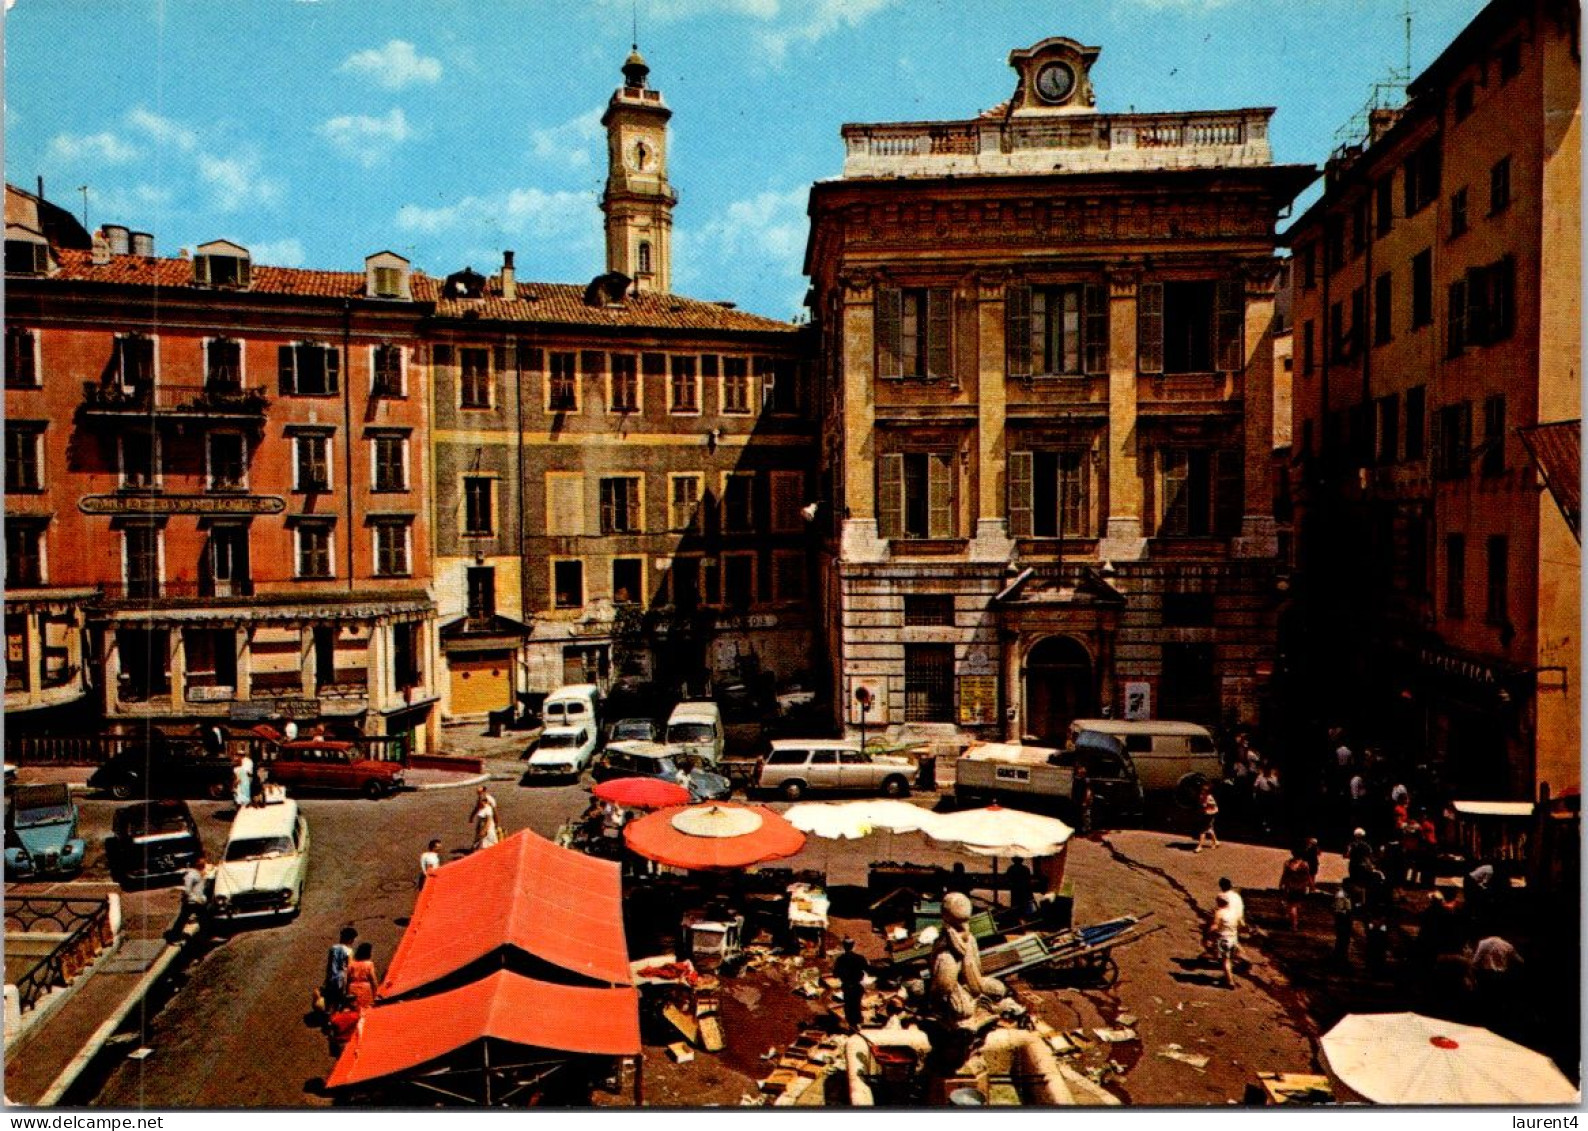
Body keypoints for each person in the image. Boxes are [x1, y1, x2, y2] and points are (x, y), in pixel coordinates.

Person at [169, 852, 212, 940]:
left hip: (196, 901)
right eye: (201, 861)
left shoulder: (198, 873)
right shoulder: (190, 875)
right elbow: (187, 890)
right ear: (196, 863)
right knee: (201, 919)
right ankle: (174, 936)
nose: (204, 862)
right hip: (192, 902)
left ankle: (175, 936)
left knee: (198, 919)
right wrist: (196, 899)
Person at [832, 936, 868, 1032]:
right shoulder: (860, 958)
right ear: (853, 946)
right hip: (857, 986)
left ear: (843, 946)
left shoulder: (840, 959)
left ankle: (851, 1026)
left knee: (848, 1007)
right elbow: (868, 969)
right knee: (856, 1005)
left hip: (847, 987)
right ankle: (857, 1026)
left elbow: (835, 974)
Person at [1205, 892, 1241, 988]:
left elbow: (1215, 926)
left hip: (1224, 939)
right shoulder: (1234, 913)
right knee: (1229, 959)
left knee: (1225, 961)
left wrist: (1208, 933)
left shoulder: (1220, 913)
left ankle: (1230, 981)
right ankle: (1228, 976)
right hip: (1233, 939)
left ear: (1219, 903)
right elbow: (1241, 925)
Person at [324, 926, 357, 1012]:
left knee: (330, 1000)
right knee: (340, 1002)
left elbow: (329, 965)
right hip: (342, 979)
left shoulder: (333, 948)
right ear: (350, 939)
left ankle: (328, 1017)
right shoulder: (349, 951)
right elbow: (349, 968)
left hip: (331, 977)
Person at [1280, 848, 1312, 930]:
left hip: (1291, 887)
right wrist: (1311, 886)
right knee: (1297, 905)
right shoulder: (1305, 864)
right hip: (1301, 887)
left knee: (1291, 906)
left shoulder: (1288, 863)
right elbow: (1308, 876)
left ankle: (1294, 924)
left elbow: (1284, 875)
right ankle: (1295, 921)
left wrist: (1281, 884)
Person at [347, 942, 380, 1013]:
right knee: (365, 1009)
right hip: (365, 989)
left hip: (352, 988)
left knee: (354, 1009)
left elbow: (347, 978)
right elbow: (373, 980)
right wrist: (376, 992)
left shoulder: (352, 963)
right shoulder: (369, 964)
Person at [1331, 885, 1355, 966]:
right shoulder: (1343, 894)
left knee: (1342, 938)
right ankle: (1340, 956)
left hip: (1343, 918)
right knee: (1343, 938)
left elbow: (1337, 908)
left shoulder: (1342, 894)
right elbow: (1339, 909)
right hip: (1344, 918)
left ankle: (1340, 956)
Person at [470, 787, 500, 852]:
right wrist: (471, 817)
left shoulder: (489, 802)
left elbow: (492, 815)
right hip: (481, 826)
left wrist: (496, 823)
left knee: (487, 844)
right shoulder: (480, 799)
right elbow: (476, 808)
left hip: (487, 829)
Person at [1194, 782, 1219, 852]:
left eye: (1204, 791)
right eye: (1202, 790)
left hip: (1210, 814)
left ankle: (1200, 846)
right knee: (1209, 828)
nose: (1202, 791)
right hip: (1205, 813)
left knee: (1203, 830)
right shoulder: (1202, 796)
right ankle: (1215, 841)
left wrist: (1207, 804)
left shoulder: (1209, 797)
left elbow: (1213, 804)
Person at [1070, 765, 1093, 836]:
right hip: (1077, 800)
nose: (1081, 772)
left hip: (1083, 800)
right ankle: (1079, 830)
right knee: (1077, 816)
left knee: (1085, 816)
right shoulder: (1076, 779)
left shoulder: (1085, 780)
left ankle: (1086, 830)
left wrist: (1085, 801)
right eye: (1080, 771)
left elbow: (1088, 791)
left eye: (1083, 772)